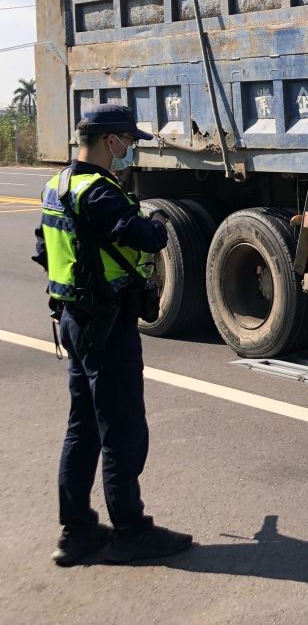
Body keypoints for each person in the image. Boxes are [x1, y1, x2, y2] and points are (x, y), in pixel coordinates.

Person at [34, 103, 193, 566]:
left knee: (83, 427)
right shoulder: (101, 193)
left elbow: (44, 250)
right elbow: (145, 237)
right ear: (110, 141)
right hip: (106, 326)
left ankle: (77, 532)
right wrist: (157, 224)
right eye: (128, 142)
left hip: (74, 319)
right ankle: (131, 532)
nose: (130, 150)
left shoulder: (57, 185)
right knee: (121, 430)